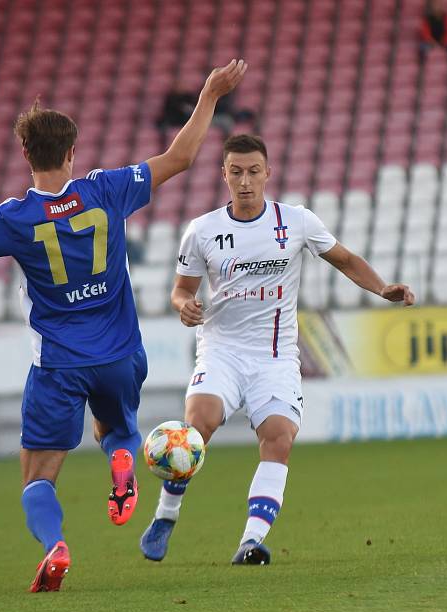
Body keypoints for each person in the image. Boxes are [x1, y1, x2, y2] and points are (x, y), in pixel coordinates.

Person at [0, 60, 248, 591]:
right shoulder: (106, 189)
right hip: (120, 353)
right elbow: (182, 156)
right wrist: (210, 94)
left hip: (58, 363)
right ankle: (123, 458)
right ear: (72, 152)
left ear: (26, 154)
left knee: (38, 476)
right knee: (118, 427)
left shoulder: (12, 217)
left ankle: (55, 546)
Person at [139, 134, 415, 565]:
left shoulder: (297, 221)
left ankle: (251, 541)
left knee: (279, 438)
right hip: (222, 351)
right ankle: (165, 515)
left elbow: (343, 259)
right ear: (224, 175)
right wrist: (184, 306)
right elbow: (181, 289)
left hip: (276, 355)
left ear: (268, 173)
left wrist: (382, 288)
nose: (245, 181)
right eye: (236, 172)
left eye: (253, 171)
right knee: (197, 427)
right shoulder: (203, 230)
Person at [418, 0, 447, 64]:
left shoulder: (446, 18)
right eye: (434, 6)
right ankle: (422, 61)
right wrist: (431, 41)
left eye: (438, 6)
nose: (436, 8)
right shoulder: (427, 19)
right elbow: (425, 32)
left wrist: (444, 40)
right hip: (431, 41)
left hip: (444, 40)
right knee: (422, 47)